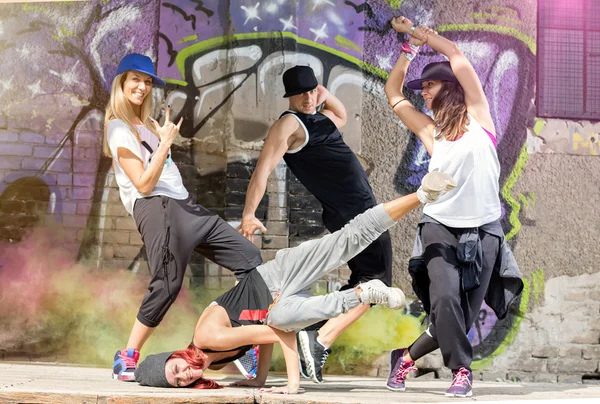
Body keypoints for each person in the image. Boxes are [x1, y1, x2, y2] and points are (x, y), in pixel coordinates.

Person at [134, 171, 457, 394]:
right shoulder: (210, 362)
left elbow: (275, 333)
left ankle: (421, 194)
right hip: (275, 305)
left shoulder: (208, 337)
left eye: (176, 370)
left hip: (277, 277)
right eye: (180, 382)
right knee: (284, 316)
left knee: (349, 238)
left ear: (172, 355)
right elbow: (260, 332)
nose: (186, 375)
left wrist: (292, 383)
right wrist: (258, 380)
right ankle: (363, 293)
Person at [383, 17, 523, 398]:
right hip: (440, 226)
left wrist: (422, 35)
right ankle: (462, 370)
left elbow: (457, 55)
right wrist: (406, 51)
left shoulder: (480, 117)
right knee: (444, 300)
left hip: (485, 232)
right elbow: (393, 93)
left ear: (450, 86)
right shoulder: (432, 133)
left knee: (455, 317)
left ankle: (406, 358)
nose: (423, 92)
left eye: (429, 84)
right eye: (423, 86)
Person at [103, 53, 263, 381]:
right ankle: (128, 356)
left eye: (147, 82)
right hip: (155, 206)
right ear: (121, 82)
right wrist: (164, 144)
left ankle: (240, 339)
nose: (142, 87)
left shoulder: (146, 125)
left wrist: (159, 139)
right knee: (168, 283)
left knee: (250, 259)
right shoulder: (118, 128)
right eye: (135, 79)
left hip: (186, 205)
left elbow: (167, 172)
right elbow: (144, 183)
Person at [237, 65, 394, 383]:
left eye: (312, 91)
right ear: (289, 97)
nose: (308, 97)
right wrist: (248, 214)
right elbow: (263, 171)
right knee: (377, 282)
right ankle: (318, 338)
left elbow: (341, 114)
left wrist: (320, 92)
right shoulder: (288, 125)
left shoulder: (317, 119)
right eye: (301, 93)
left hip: (358, 210)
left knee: (366, 281)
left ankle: (311, 331)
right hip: (354, 213)